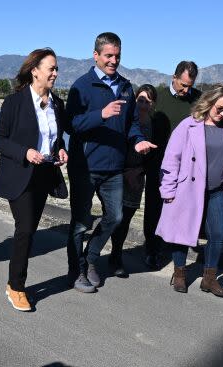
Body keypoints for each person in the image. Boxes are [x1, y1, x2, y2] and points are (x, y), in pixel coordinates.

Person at [65, 32, 157, 293]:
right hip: (85, 167)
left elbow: (132, 125)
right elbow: (70, 125)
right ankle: (76, 271)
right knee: (81, 223)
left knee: (115, 217)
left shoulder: (126, 87)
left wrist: (137, 140)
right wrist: (100, 115)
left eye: (117, 56)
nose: (113, 60)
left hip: (114, 168)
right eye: (108, 56)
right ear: (96, 56)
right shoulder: (81, 86)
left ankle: (91, 259)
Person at [155, 83, 223, 297]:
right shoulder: (188, 125)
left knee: (218, 233)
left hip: (216, 190)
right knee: (181, 231)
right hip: (187, 188)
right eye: (219, 108)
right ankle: (179, 273)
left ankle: (209, 280)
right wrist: (168, 190)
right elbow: (171, 159)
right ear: (209, 103)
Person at [0, 48, 68, 312]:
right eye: (52, 68)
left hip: (45, 176)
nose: (56, 73)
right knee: (24, 230)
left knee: (29, 231)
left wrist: (60, 149)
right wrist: (24, 152)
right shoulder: (15, 102)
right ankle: (16, 286)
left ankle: (15, 281)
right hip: (19, 175)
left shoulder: (57, 103)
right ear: (35, 70)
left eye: (57, 69)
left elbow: (56, 138)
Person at [144, 61, 201, 269]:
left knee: (181, 208)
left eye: (190, 86)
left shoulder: (198, 99)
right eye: (183, 85)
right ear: (173, 77)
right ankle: (151, 250)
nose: (186, 90)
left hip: (187, 168)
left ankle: (173, 247)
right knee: (154, 208)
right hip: (157, 164)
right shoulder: (157, 97)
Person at [107, 84, 165, 277]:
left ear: (152, 104)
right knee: (116, 217)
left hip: (138, 177)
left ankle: (116, 254)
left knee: (126, 218)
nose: (143, 104)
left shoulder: (153, 123)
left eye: (148, 101)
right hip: (121, 172)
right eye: (140, 99)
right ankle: (109, 254)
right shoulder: (126, 119)